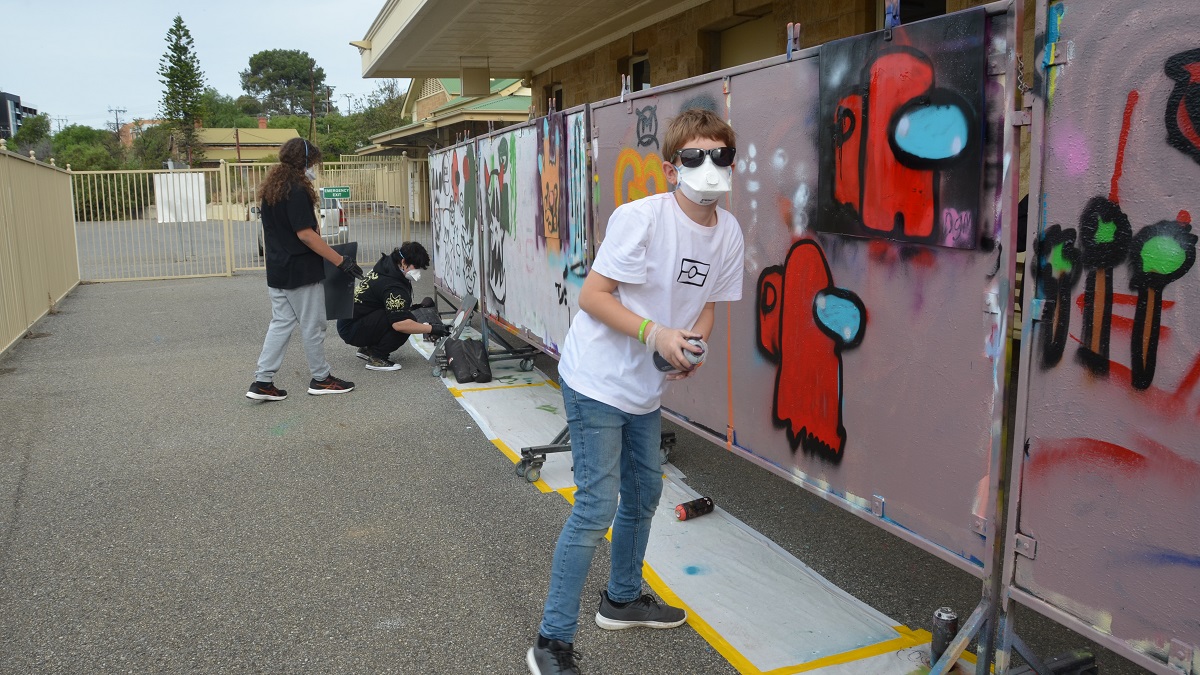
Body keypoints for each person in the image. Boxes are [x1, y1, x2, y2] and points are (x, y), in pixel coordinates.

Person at [527, 109, 745, 675]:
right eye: (694, 157)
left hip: (644, 390)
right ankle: (551, 642)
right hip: (596, 380)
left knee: (645, 493)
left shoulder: (728, 232)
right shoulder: (641, 218)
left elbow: (707, 307)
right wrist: (656, 334)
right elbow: (594, 296)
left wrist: (691, 345)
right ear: (672, 169)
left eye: (720, 155)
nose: (709, 167)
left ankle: (621, 600)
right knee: (596, 505)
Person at [246, 138, 363, 401]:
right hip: (300, 270)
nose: (314, 168)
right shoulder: (296, 190)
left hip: (278, 269)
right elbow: (306, 235)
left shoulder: (272, 190)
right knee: (313, 325)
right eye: (314, 163)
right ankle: (321, 378)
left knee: (281, 324)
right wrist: (340, 261)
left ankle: (262, 381)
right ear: (306, 161)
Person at [336, 242, 451, 371]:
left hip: (348, 322)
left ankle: (367, 349)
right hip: (352, 329)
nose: (418, 272)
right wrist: (432, 328)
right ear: (403, 262)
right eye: (416, 267)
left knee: (400, 314)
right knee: (407, 321)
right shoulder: (393, 285)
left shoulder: (387, 267)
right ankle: (377, 357)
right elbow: (400, 324)